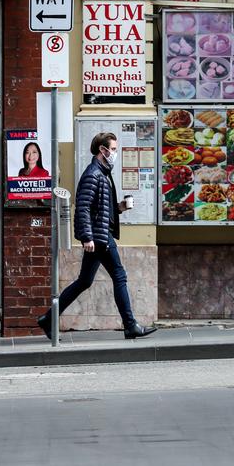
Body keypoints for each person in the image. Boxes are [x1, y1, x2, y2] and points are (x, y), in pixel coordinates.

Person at [38, 132, 157, 340]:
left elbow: (99, 208)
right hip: (100, 237)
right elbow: (82, 207)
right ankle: (130, 325)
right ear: (102, 150)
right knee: (119, 276)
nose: (115, 153)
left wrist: (119, 208)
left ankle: (48, 319)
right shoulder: (93, 174)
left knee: (84, 281)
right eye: (113, 149)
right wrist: (86, 237)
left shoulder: (103, 173)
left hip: (100, 233)